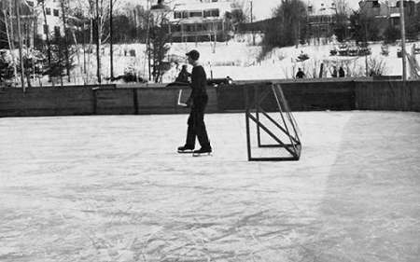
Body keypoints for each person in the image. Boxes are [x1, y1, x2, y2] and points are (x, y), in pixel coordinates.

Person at [177, 49, 212, 155]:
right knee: (192, 121)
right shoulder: (196, 69)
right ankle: (189, 144)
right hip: (199, 98)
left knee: (198, 122)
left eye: (189, 57)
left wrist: (190, 100)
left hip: (200, 99)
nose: (188, 59)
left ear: (192, 58)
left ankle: (206, 146)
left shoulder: (197, 69)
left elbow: (198, 88)